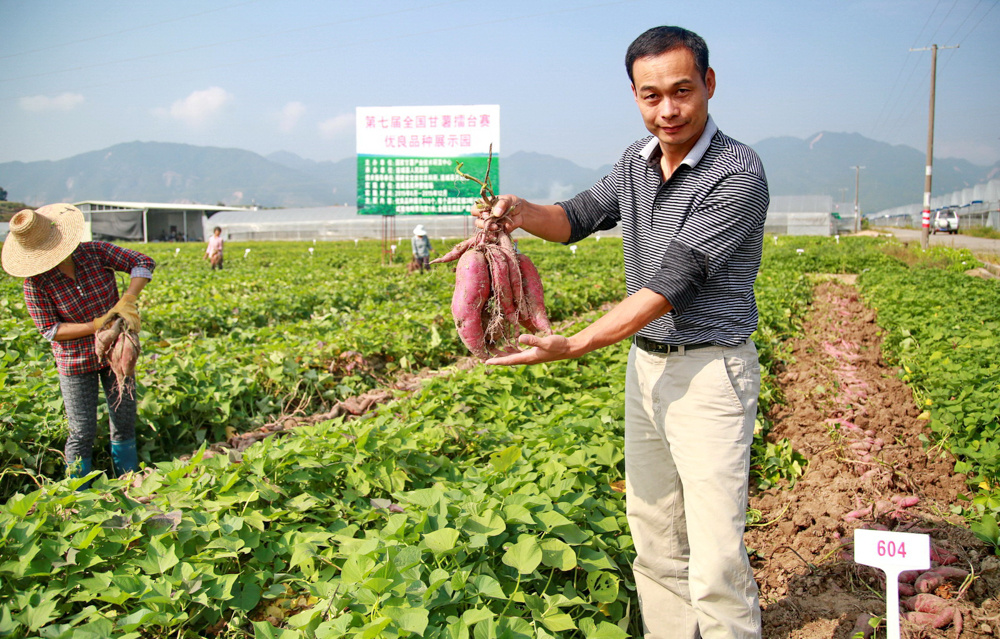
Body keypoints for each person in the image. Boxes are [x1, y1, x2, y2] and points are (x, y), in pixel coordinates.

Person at [477, 26, 768, 639]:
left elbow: (672, 281)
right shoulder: (635, 160)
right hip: (648, 370)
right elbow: (576, 218)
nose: (668, 110)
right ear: (635, 95)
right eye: (650, 95)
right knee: (656, 535)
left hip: (711, 373)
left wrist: (576, 342)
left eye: (682, 91)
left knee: (715, 552)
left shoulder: (737, 171)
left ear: (709, 85)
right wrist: (520, 213)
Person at [1, 204, 155, 486]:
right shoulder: (35, 283)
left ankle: (129, 480)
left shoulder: (95, 252)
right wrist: (96, 325)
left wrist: (128, 299)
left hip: (116, 352)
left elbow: (143, 262)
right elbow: (51, 330)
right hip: (74, 361)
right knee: (82, 429)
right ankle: (78, 492)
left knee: (123, 418)